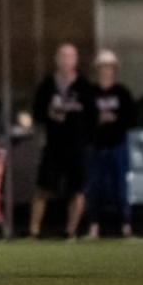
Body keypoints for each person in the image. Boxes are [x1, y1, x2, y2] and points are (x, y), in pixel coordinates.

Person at [29, 43, 97, 239]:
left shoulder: (84, 86)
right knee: (43, 187)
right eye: (63, 56)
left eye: (70, 56)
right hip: (53, 145)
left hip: (77, 146)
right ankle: (34, 232)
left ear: (75, 60)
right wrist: (50, 114)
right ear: (57, 59)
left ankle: (70, 231)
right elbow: (37, 113)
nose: (66, 60)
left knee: (77, 188)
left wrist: (87, 140)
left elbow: (92, 116)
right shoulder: (47, 86)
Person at [86, 49, 136, 239]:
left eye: (109, 67)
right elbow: (84, 119)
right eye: (102, 67)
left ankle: (125, 226)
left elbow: (130, 118)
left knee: (121, 188)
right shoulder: (91, 93)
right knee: (95, 188)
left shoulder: (122, 93)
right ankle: (94, 226)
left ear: (114, 70)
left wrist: (115, 120)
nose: (105, 70)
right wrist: (97, 121)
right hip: (97, 146)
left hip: (117, 145)